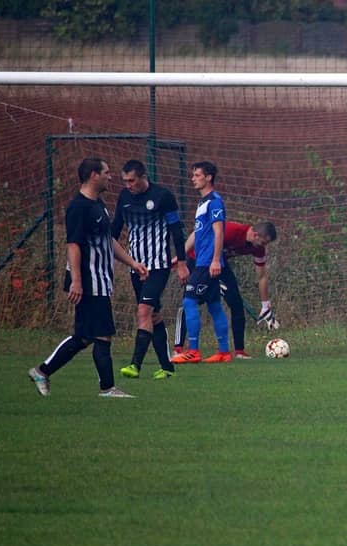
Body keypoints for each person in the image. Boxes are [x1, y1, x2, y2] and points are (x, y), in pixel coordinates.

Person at [28, 158, 148, 398]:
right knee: (102, 334)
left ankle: (42, 371)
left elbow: (108, 240)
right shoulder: (78, 207)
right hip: (89, 281)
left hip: (100, 280)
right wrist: (77, 280)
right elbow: (73, 245)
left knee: (84, 337)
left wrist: (132, 263)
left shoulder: (98, 205)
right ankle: (107, 388)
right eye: (106, 172)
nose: (110, 176)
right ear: (94, 175)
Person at [112, 160, 190, 380]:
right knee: (153, 315)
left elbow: (176, 231)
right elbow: (114, 230)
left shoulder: (163, 196)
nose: (128, 185)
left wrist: (181, 263)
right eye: (125, 181)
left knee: (143, 311)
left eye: (132, 180)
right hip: (135, 267)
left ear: (143, 177)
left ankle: (135, 365)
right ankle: (167, 367)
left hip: (158, 266)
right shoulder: (124, 197)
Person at [175, 220, 278, 359]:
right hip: (198, 260)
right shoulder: (231, 230)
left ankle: (239, 351)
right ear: (255, 235)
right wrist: (180, 259)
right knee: (189, 302)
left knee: (235, 302)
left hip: (218, 264)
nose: (264, 246)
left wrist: (265, 305)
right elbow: (198, 232)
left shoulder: (258, 248)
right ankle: (178, 349)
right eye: (264, 242)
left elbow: (262, 276)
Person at [171, 161, 231, 364]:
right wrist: (180, 256)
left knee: (189, 301)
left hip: (207, 263)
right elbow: (197, 234)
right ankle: (224, 352)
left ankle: (193, 351)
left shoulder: (214, 201)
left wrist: (215, 260)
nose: (193, 179)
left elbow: (219, 232)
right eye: (193, 175)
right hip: (204, 262)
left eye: (197, 175)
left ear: (209, 177)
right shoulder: (202, 202)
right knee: (214, 305)